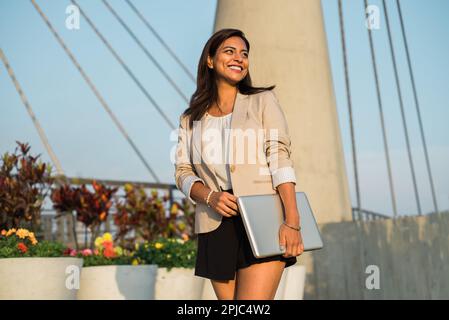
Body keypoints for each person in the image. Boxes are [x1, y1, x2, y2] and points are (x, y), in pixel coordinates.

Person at [174, 28, 304, 300]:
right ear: (210, 60)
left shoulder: (262, 101)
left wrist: (292, 221)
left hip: (264, 218)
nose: (239, 58)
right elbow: (182, 172)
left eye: (244, 54)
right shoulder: (190, 118)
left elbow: (280, 158)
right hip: (214, 223)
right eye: (229, 51)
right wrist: (210, 196)